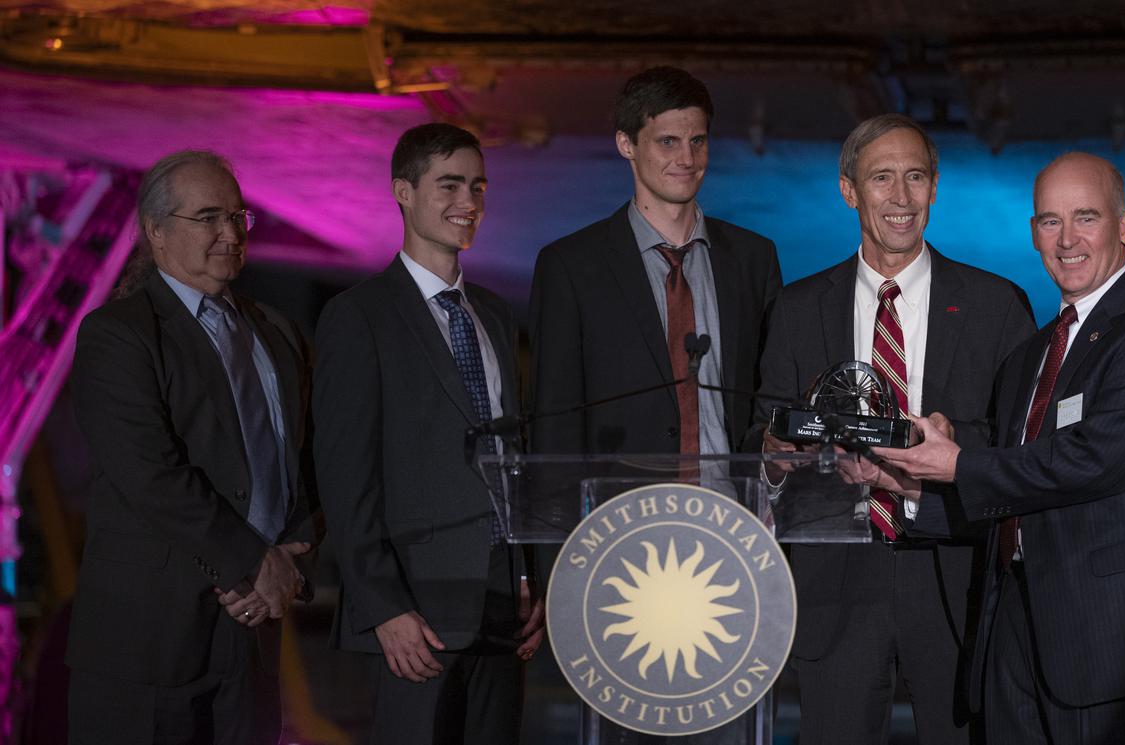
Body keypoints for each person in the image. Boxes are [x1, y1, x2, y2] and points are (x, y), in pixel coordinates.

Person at [874, 152, 1125, 745]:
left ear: (1124, 225)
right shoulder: (1029, 356)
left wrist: (960, 465)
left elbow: (1092, 461)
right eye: (1050, 221)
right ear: (1033, 233)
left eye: (1086, 217)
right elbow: (1006, 489)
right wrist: (903, 489)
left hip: (1113, 651)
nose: (1068, 238)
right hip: (1013, 637)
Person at [755, 113, 1035, 745]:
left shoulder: (997, 306)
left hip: (954, 576)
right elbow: (762, 437)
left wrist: (942, 450)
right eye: (882, 178)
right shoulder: (799, 308)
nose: (901, 197)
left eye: (915, 177)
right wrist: (781, 448)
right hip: (836, 583)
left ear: (935, 187)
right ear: (849, 190)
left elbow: (1021, 453)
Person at [67, 150, 321, 745]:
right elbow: (150, 475)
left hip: (253, 638)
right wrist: (257, 566)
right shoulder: (118, 334)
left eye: (238, 216)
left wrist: (295, 563)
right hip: (147, 646)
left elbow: (304, 466)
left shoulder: (277, 333)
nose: (230, 234)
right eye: (208, 217)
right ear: (156, 231)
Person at [313, 123, 543, 745]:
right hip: (415, 613)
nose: (467, 203)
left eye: (477, 186)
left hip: (502, 605)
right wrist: (383, 606)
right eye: (449, 185)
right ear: (403, 192)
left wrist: (533, 577)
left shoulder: (493, 314)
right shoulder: (357, 317)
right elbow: (345, 478)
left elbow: (508, 461)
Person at [529, 65, 781, 458]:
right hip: (622, 512)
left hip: (730, 509)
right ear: (626, 144)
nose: (687, 158)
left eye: (697, 140)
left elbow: (770, 397)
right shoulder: (569, 267)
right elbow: (554, 421)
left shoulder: (754, 258)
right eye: (668, 141)